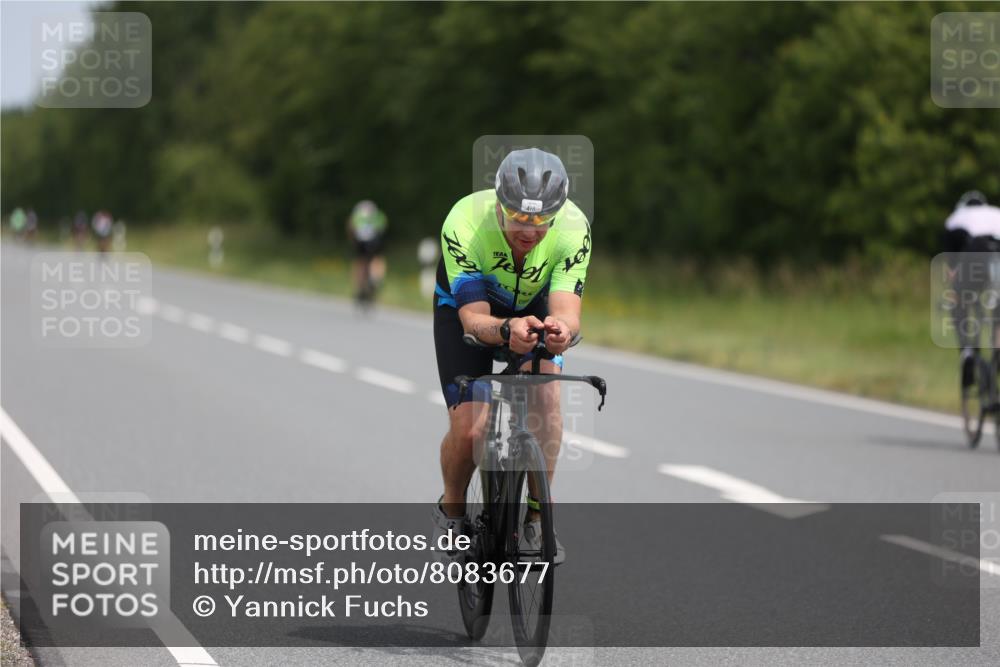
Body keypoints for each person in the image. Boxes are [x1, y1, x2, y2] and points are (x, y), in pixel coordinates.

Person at [431, 148, 592, 565]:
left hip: (535, 308)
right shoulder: (465, 222)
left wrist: (560, 333)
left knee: (547, 401)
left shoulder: (574, 227)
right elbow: (473, 321)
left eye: (542, 220)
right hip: (468, 310)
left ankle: (538, 519)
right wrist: (504, 330)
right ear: (499, 203)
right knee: (469, 429)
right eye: (520, 216)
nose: (530, 229)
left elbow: (567, 313)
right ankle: (452, 512)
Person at [942, 191, 1000, 384]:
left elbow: (951, 262)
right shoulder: (995, 213)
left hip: (978, 252)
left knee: (958, 300)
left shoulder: (956, 218)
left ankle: (967, 350)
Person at [346, 200, 388, 305]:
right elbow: (383, 226)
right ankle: (375, 278)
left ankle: (359, 287)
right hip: (375, 239)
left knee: (360, 261)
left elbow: (350, 227)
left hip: (360, 240)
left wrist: (353, 241)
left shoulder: (356, 214)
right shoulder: (378, 214)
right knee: (377, 258)